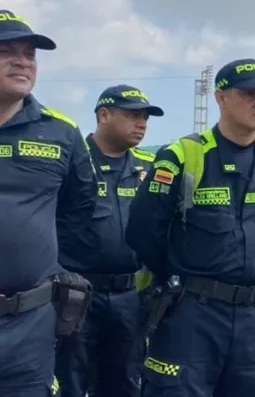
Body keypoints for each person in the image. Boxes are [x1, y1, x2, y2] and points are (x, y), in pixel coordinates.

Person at [126, 58, 255, 396]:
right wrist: (184, 277)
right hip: (193, 313)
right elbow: (144, 232)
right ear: (220, 97)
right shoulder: (184, 155)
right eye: (249, 94)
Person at [0, 10, 97, 397]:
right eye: (7, 51)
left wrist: (44, 262)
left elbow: (80, 209)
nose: (23, 61)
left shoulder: (61, 132)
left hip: (29, 323)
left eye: (30, 53)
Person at [55, 85, 163, 397]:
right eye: (132, 115)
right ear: (104, 115)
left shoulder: (149, 164)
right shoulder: (75, 159)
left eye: (144, 117)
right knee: (70, 380)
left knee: (125, 380)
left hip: (129, 295)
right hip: (75, 293)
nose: (141, 123)